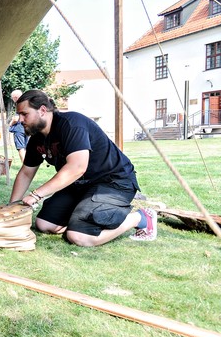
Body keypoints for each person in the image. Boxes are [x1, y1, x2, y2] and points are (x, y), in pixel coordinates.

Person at [9, 90, 156, 246]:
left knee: (78, 237)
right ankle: (81, 220)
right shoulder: (37, 138)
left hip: (113, 182)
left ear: (43, 110)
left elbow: (77, 167)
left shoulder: (72, 124)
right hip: (80, 185)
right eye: (19, 115)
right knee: (44, 224)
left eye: (24, 114)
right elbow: (26, 173)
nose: (20, 119)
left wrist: (36, 195)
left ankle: (141, 218)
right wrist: (11, 208)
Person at [8, 89, 28, 161]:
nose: (12, 99)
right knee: (26, 147)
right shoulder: (27, 103)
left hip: (19, 129)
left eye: (12, 98)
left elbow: (16, 119)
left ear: (15, 97)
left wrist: (10, 124)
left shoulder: (19, 104)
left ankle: (24, 165)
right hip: (27, 128)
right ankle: (28, 164)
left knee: (21, 148)